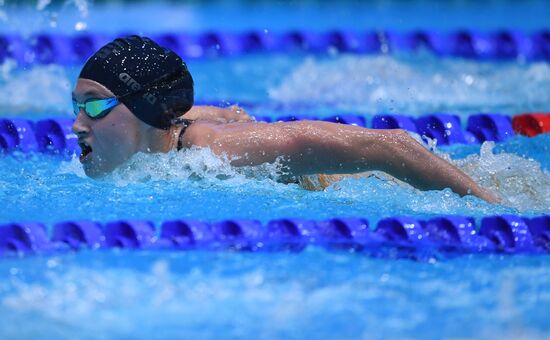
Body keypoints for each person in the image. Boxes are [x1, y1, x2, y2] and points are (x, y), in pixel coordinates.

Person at [71, 35, 499, 203]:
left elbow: (390, 146)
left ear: (144, 111)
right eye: (76, 106)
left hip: (379, 182)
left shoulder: (211, 150)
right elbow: (220, 112)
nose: (76, 125)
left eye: (93, 104)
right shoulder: (167, 129)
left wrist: (493, 207)